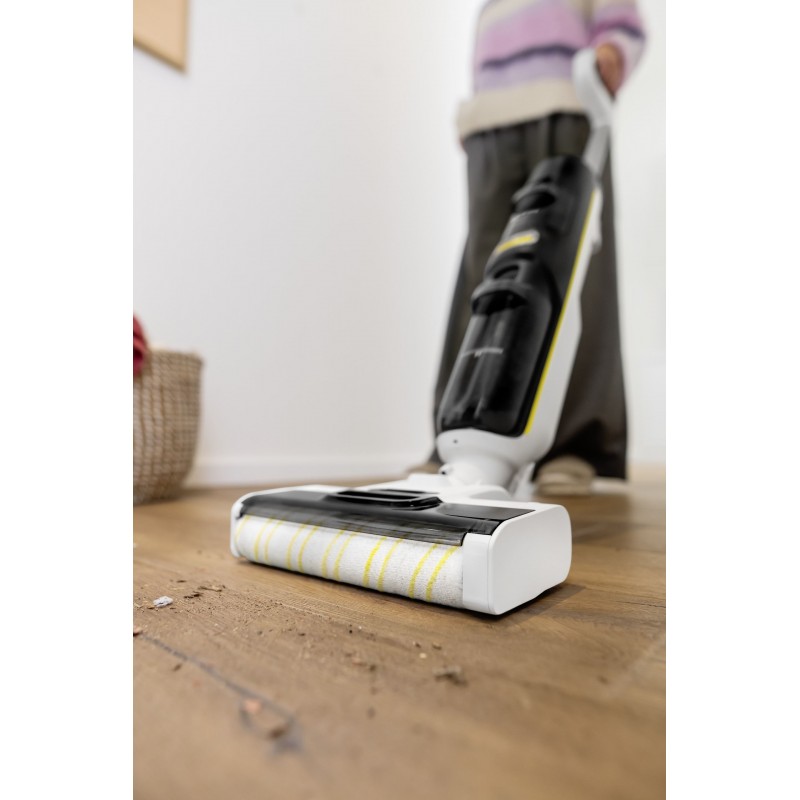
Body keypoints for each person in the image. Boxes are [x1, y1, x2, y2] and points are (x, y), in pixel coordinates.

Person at [432, 0, 646, 496]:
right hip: (489, 123)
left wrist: (613, 50)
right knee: (485, 281)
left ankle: (576, 446)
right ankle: (458, 436)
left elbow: (623, 20)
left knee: (574, 272)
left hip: (566, 101)